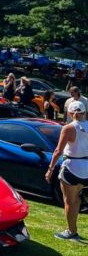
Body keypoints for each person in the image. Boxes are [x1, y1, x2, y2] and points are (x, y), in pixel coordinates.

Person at [46, 101, 88, 240]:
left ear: (70, 113)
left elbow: (58, 150)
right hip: (86, 167)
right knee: (76, 199)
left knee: (70, 201)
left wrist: (50, 169)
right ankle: (73, 229)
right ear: (84, 112)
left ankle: (71, 231)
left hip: (72, 167)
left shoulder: (69, 128)